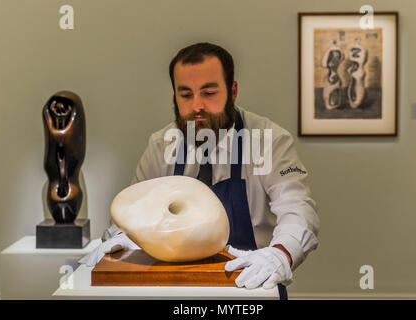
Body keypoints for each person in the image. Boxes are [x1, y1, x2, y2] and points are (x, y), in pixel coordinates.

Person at [79, 42, 319, 299]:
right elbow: (134, 209)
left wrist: (280, 254)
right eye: (185, 94)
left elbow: (299, 211)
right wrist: (123, 240)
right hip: (175, 286)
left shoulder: (269, 141)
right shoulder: (162, 144)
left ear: (233, 91)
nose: (197, 106)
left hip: (252, 283)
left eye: (208, 93)